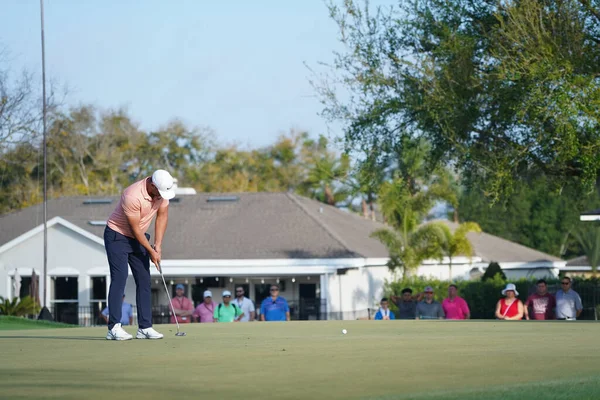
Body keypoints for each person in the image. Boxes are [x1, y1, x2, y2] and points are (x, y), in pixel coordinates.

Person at [103, 169, 175, 340]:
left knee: (144, 280)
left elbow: (162, 216)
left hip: (139, 237)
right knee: (119, 278)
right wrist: (150, 251)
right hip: (117, 236)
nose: (162, 196)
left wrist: (157, 245)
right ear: (151, 185)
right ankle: (113, 327)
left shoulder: (161, 194)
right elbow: (134, 229)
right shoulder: (132, 195)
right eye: (159, 192)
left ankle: (145, 327)